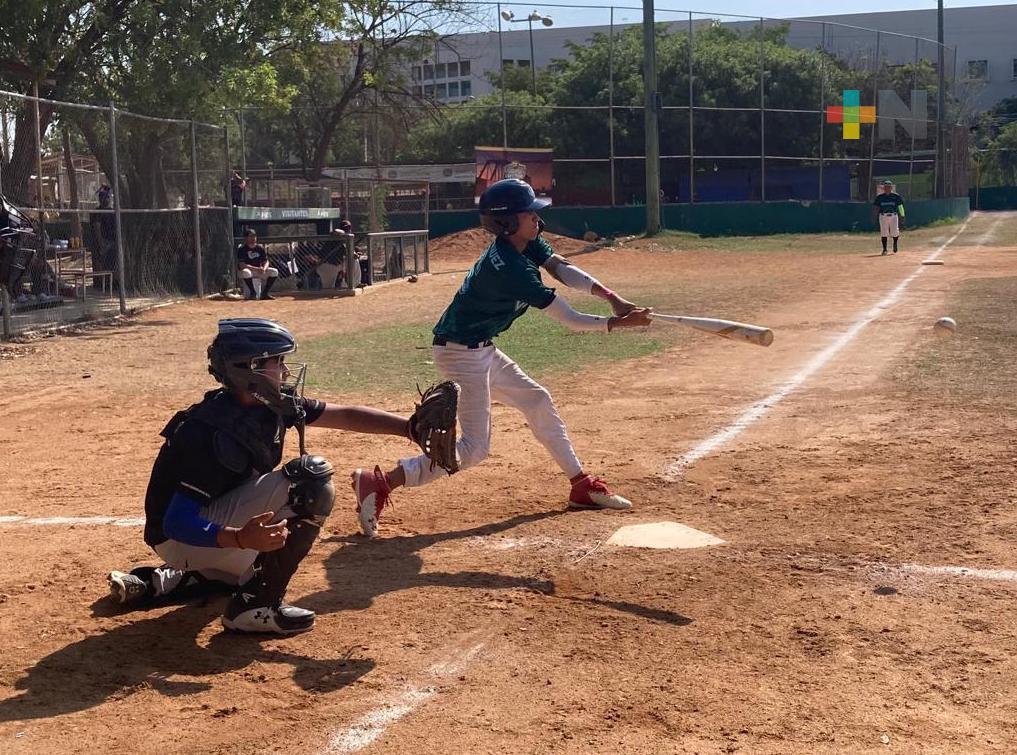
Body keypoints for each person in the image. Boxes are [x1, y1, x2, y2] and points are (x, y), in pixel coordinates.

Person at [350, 178, 653, 538]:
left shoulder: (521, 243)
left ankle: (579, 484)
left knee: (537, 399)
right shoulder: (512, 269)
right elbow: (570, 319)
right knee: (474, 449)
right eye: (530, 215)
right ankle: (380, 481)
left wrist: (611, 297)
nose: (538, 221)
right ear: (509, 223)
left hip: (478, 348)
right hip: (461, 355)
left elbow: (560, 266)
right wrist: (618, 324)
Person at [106, 318, 417, 634]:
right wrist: (240, 538)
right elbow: (176, 522)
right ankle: (254, 605)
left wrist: (409, 428)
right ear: (248, 369)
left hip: (213, 526)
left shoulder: (268, 404)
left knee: (248, 563)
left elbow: (345, 414)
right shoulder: (212, 433)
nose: (284, 371)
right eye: (277, 361)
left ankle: (178, 578)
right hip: (179, 537)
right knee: (310, 480)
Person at [236, 228, 279, 299]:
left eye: (254, 236)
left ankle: (265, 293)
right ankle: (253, 292)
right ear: (246, 238)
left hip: (259, 271)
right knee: (246, 273)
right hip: (245, 271)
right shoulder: (242, 249)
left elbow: (266, 261)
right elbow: (242, 265)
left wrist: (264, 269)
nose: (253, 238)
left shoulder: (260, 248)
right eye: (250, 236)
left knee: (274, 272)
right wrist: (257, 269)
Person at [872, 180, 905, 255]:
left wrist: (902, 216)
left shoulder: (896, 196)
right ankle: (885, 249)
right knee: (884, 233)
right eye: (886, 187)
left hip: (893, 216)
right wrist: (874, 216)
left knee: (895, 232)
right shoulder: (880, 197)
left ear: (891, 188)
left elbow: (900, 206)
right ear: (884, 188)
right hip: (883, 216)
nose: (887, 188)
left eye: (889, 187)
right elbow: (876, 207)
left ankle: (895, 244)